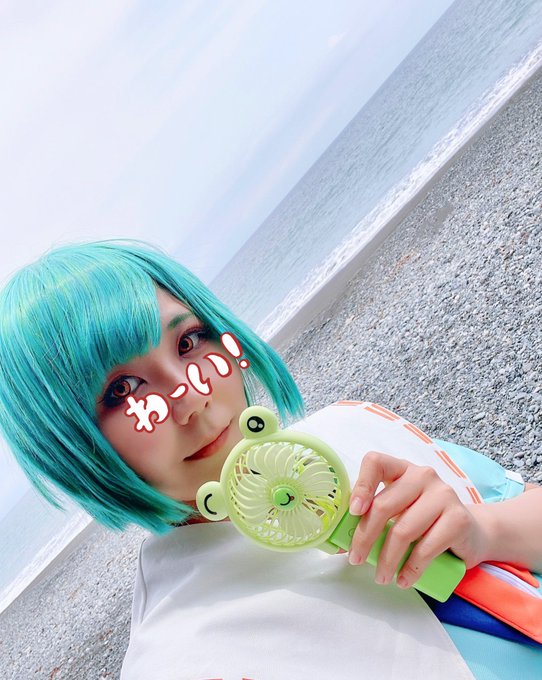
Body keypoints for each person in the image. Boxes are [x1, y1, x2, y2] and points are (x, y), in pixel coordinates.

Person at [0, 239, 541, 679]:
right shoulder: (185, 657)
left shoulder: (354, 427)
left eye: (189, 342)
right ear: (71, 446)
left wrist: (486, 530)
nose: (191, 398)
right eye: (123, 390)